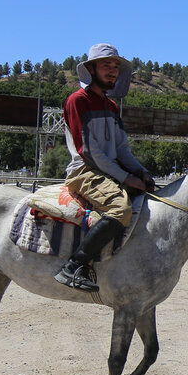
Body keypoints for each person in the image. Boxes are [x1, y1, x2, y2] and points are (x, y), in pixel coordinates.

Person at [54, 44, 156, 292]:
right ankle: (74, 265)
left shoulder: (111, 106)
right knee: (120, 208)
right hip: (84, 171)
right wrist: (125, 177)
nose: (112, 72)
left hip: (109, 169)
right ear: (91, 69)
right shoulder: (77, 101)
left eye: (116, 67)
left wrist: (141, 172)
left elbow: (122, 149)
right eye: (106, 66)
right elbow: (88, 151)